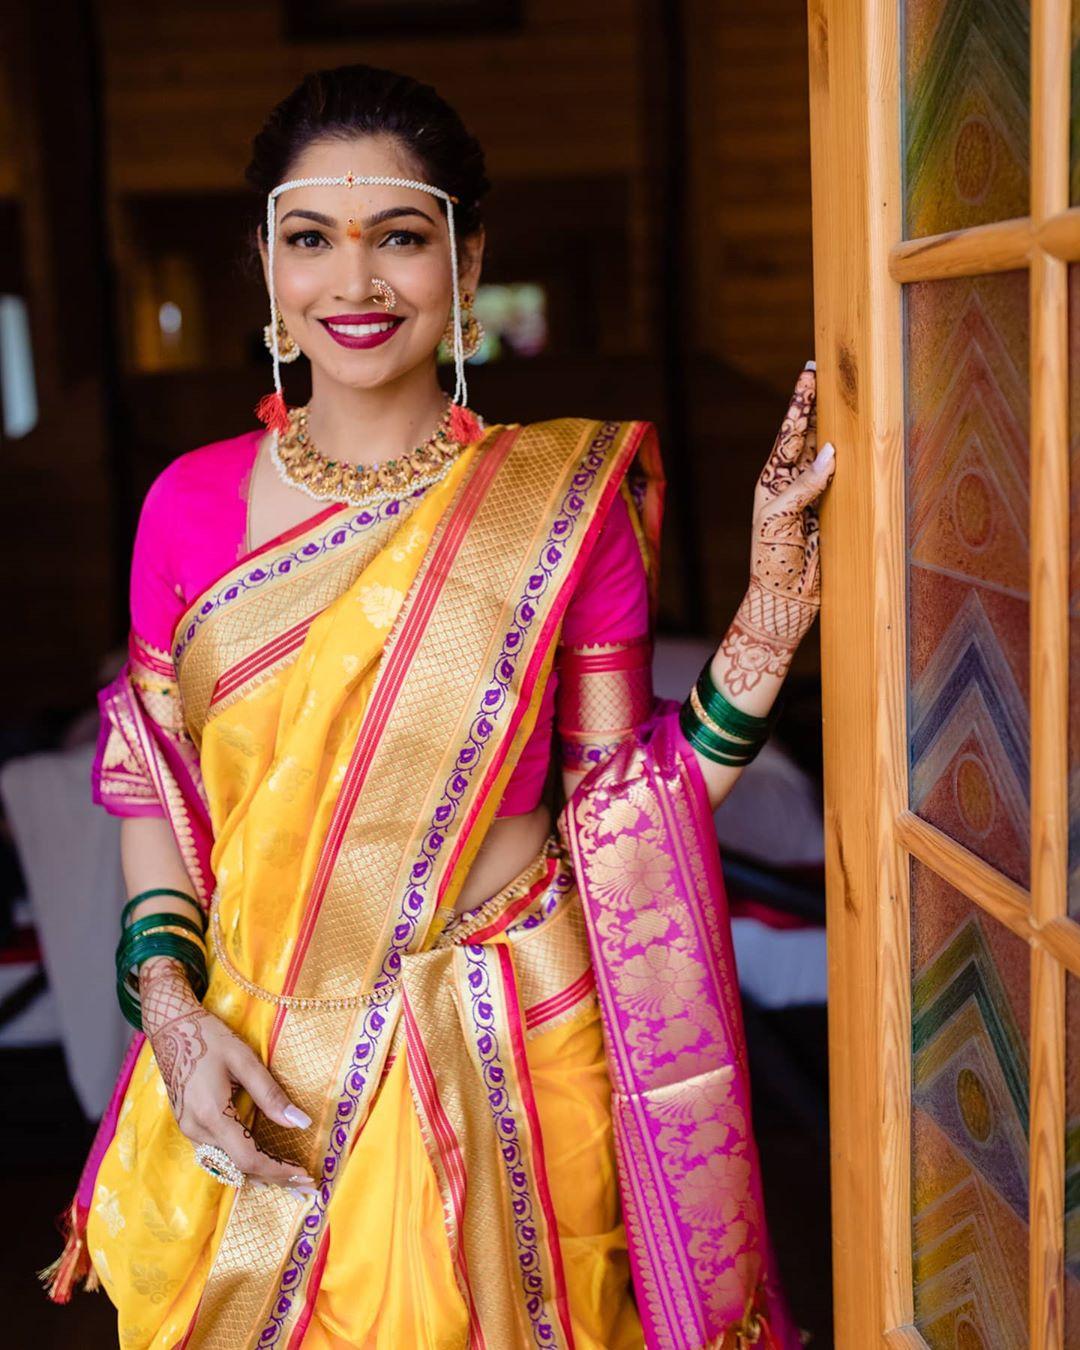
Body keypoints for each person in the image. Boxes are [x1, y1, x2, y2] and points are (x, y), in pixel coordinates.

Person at [43, 64, 834, 1350]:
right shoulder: (186, 508)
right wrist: (175, 1021)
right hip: (253, 1059)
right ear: (265, 265)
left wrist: (765, 628)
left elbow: (614, 815)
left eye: (399, 238)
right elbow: (154, 789)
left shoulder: (560, 509)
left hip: (510, 1061)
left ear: (468, 261)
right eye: (311, 241)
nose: (353, 285)